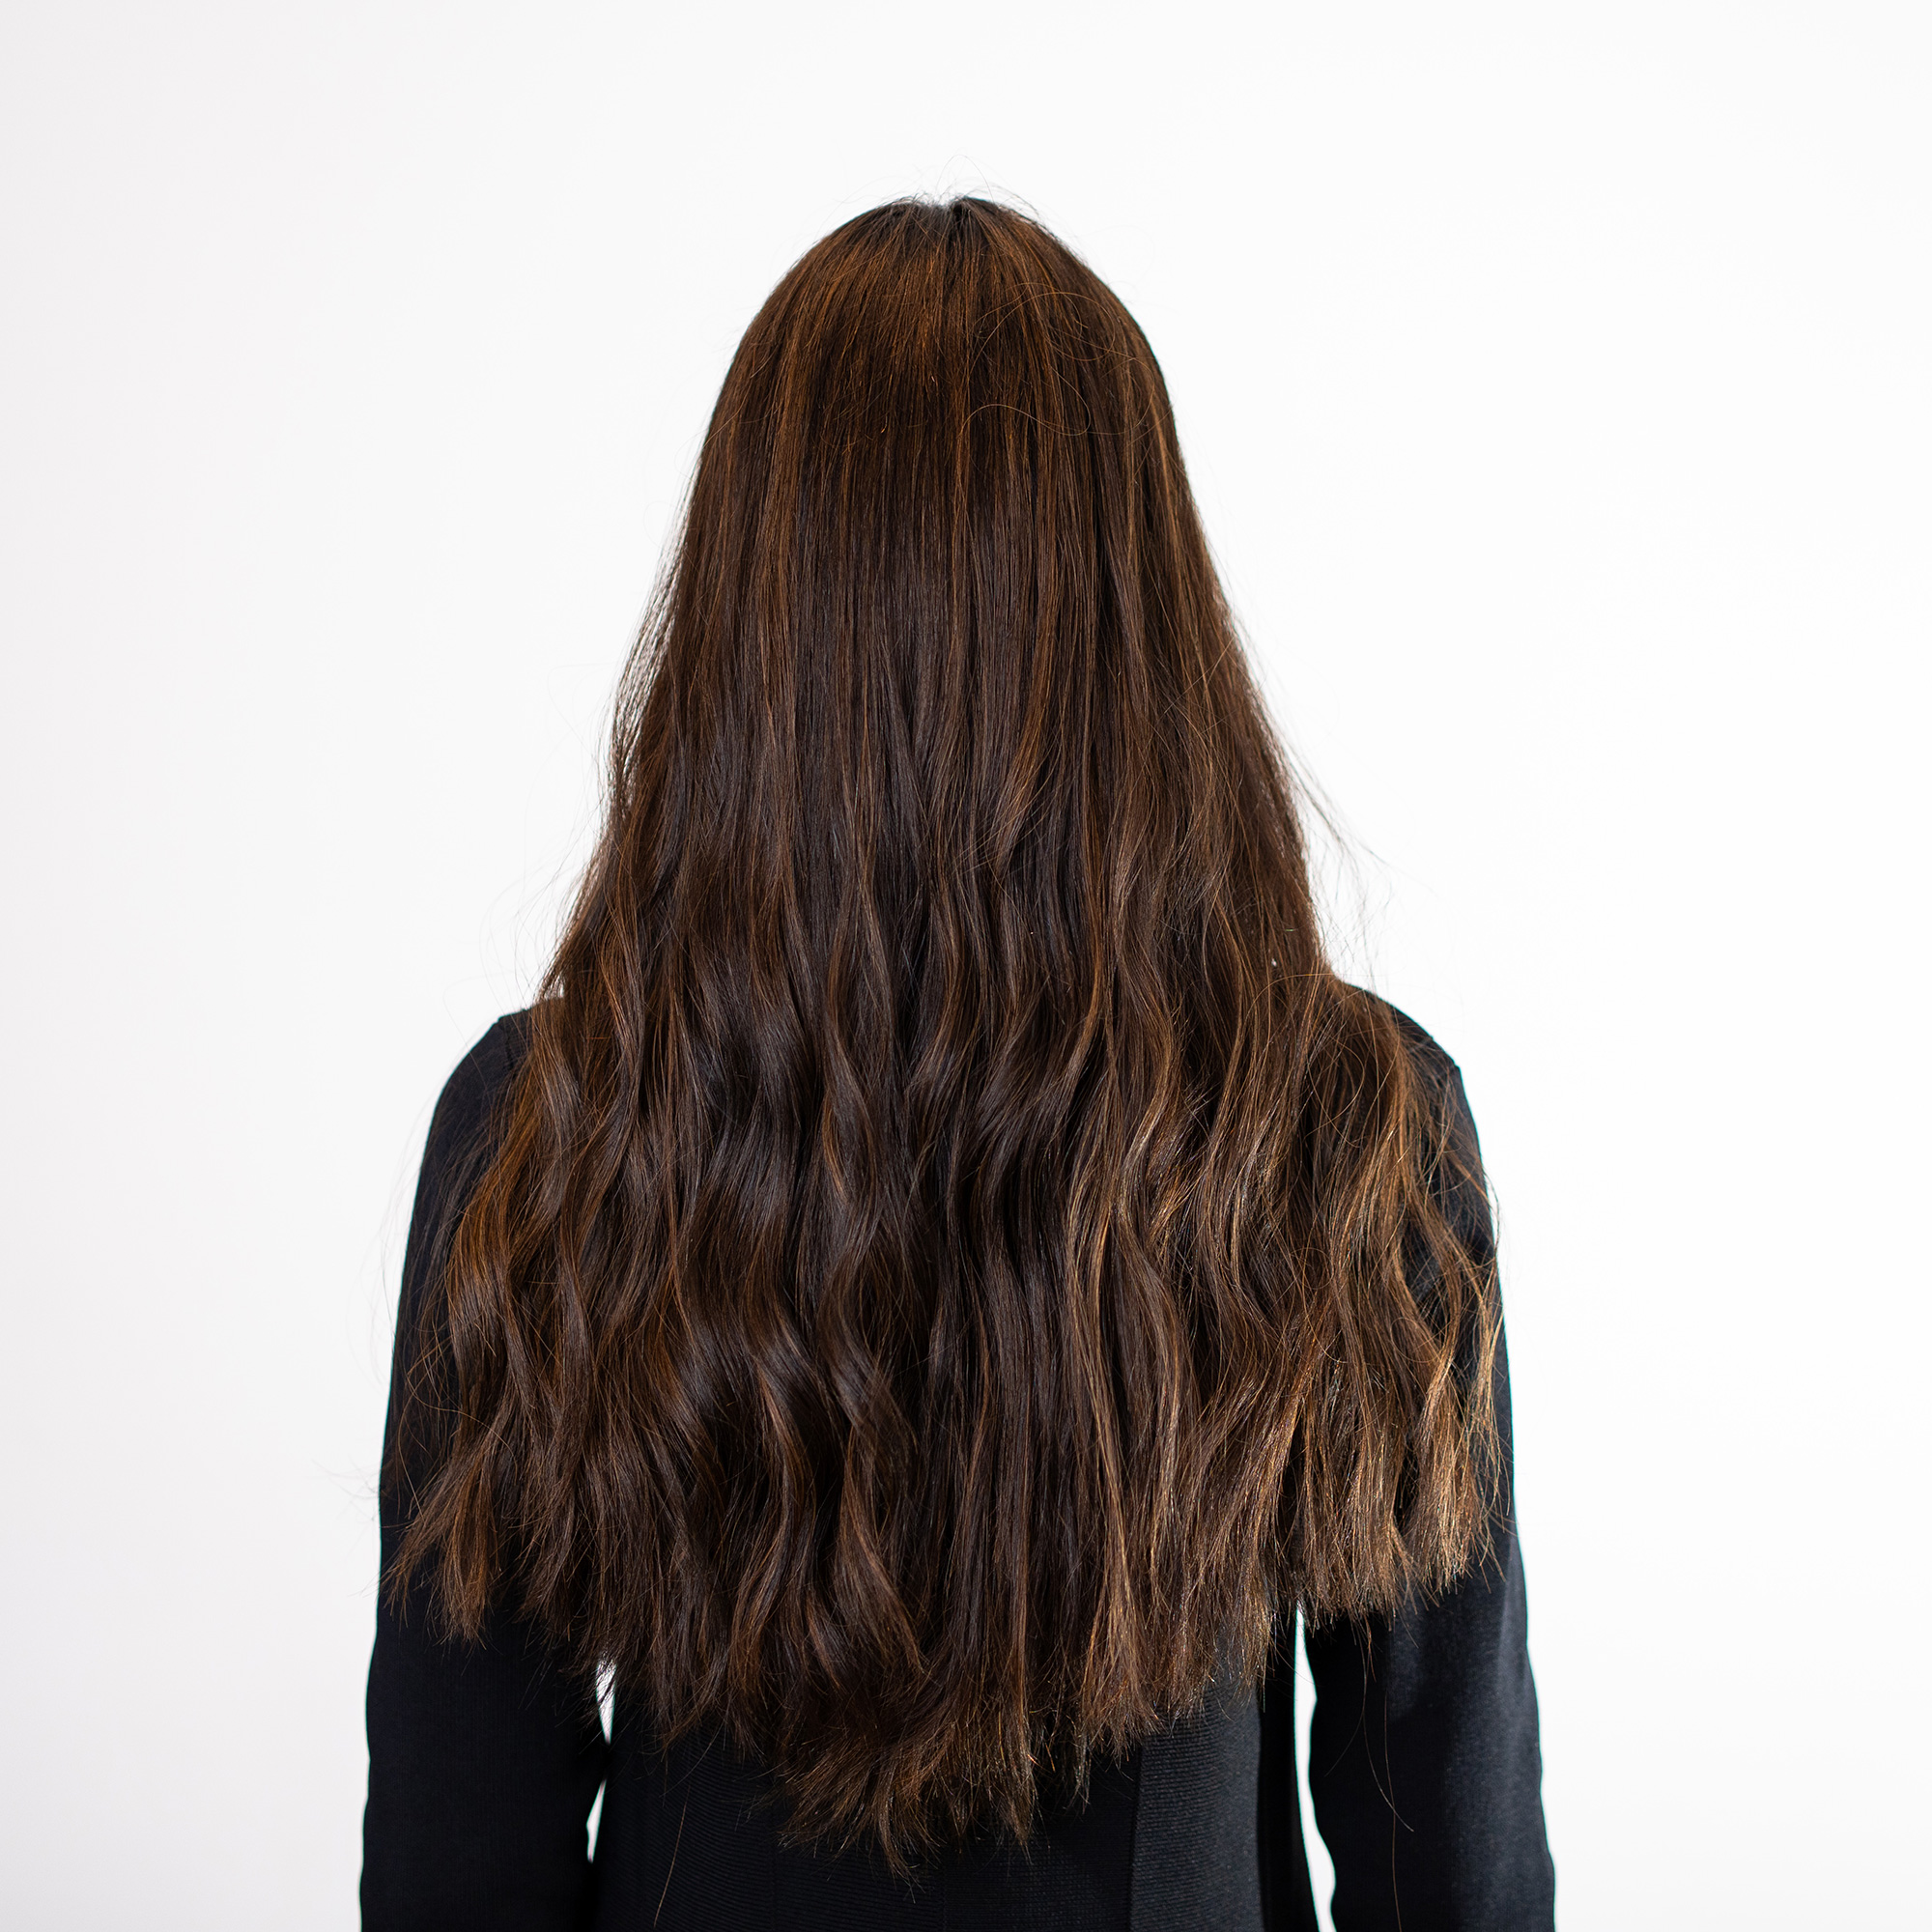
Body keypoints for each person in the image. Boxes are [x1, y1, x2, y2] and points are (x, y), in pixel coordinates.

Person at [361, 195, 1554, 1931]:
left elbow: (462, 1855)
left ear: (753, 620)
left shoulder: (552, 1128)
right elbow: (1446, 1852)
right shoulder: (1348, 1127)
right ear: (1147, 615)